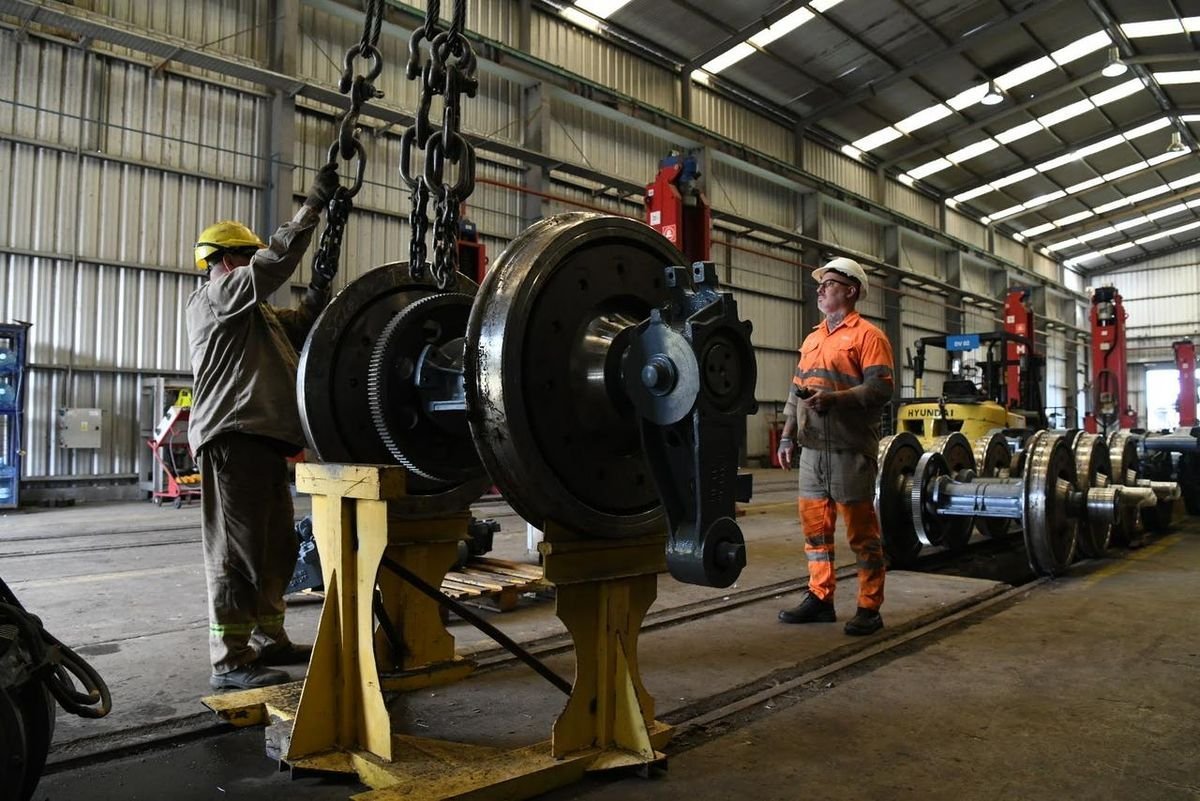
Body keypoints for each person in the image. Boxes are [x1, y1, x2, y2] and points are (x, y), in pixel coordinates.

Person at [188, 164, 340, 690]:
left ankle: (269, 639)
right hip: (232, 442)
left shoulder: (255, 317)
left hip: (264, 446)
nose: (253, 265)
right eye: (246, 258)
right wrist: (314, 207)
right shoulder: (215, 300)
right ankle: (229, 661)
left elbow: (299, 326)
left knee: (274, 548)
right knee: (235, 553)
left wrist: (319, 289)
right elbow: (275, 264)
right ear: (224, 262)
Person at [776, 257, 894, 636]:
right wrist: (786, 434)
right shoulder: (812, 338)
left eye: (828, 283)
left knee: (861, 534)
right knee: (815, 532)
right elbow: (796, 393)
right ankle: (820, 598)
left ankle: (869, 607)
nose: (821, 289)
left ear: (851, 290)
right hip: (813, 451)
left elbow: (881, 389)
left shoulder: (868, 336)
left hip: (849, 448)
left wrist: (834, 400)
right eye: (821, 284)